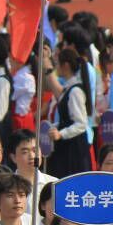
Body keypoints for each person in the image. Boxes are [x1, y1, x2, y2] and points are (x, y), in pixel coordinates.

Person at [43, 47, 93, 178]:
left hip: (74, 148)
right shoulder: (68, 88)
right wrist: (54, 127)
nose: (56, 68)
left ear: (65, 66)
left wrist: (61, 133)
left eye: (57, 64)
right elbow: (67, 120)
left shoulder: (75, 91)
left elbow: (81, 123)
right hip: (66, 146)